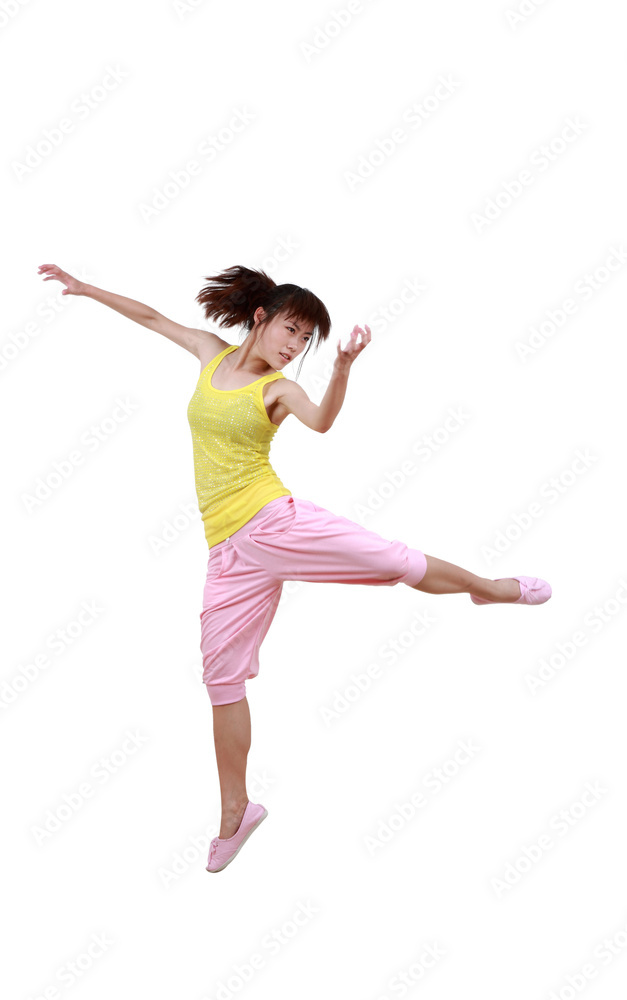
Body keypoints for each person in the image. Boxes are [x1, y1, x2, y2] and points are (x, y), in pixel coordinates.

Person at [37, 262, 552, 873]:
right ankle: (236, 810)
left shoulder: (278, 390)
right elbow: (150, 317)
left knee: (393, 561)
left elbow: (322, 420)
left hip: (275, 524)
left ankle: (489, 588)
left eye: (306, 340)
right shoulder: (209, 356)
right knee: (220, 676)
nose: (295, 346)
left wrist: (341, 368)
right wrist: (86, 288)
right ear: (262, 317)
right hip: (228, 549)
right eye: (292, 329)